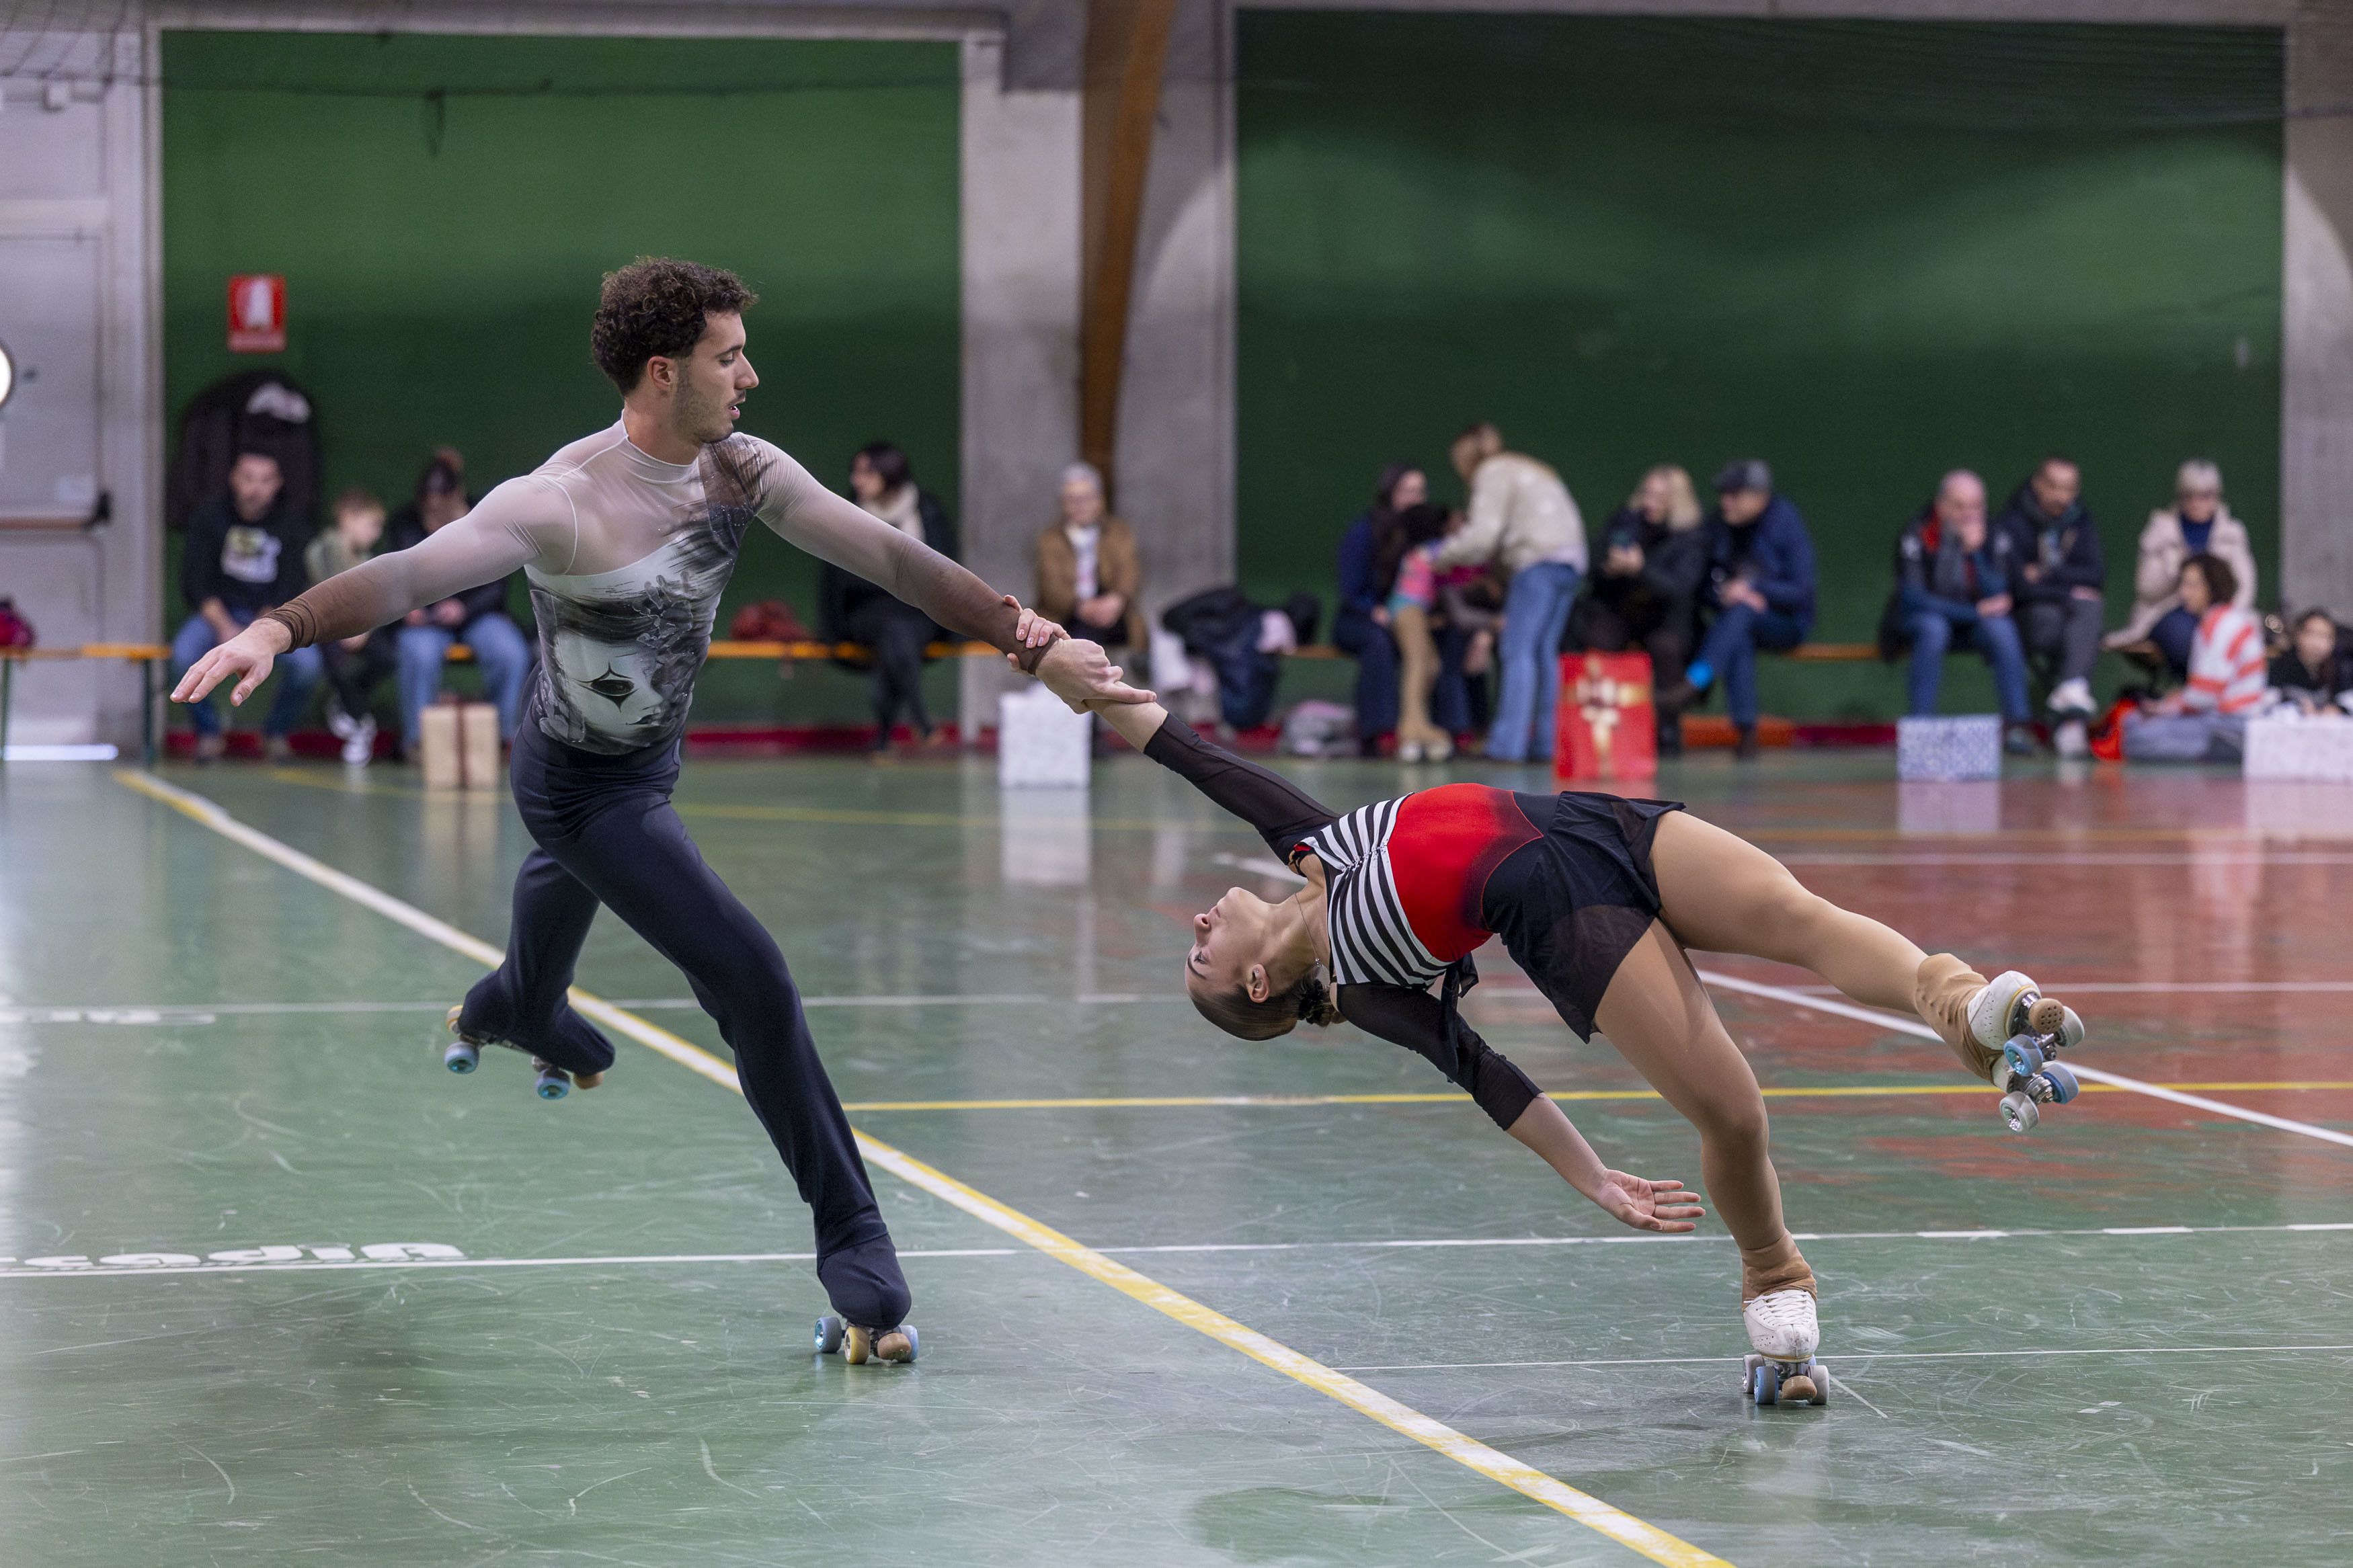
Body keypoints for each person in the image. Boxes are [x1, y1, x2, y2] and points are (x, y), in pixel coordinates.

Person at [174, 257, 1145, 1362]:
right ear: (661, 371)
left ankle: (517, 1004)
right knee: (750, 973)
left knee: (568, 898)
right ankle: (855, 1239)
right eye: (729, 357)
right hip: (579, 781)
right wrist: (275, 627)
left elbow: (895, 559)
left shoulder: (742, 470)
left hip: (647, 754)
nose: (751, 375)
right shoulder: (560, 499)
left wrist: (1034, 640)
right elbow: (408, 573)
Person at [1071, 677, 2085, 1385]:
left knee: (1798, 915)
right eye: (1202, 956)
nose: (1199, 923)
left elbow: (1186, 750)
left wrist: (1056, 660)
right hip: (1566, 917)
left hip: (1594, 822)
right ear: (1257, 982)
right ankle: (1773, 1272)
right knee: (1732, 1107)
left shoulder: (1307, 843)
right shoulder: (1370, 983)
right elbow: (1487, 1073)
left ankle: (1964, 1010)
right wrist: (1593, 1177)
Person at [1431, 423, 1587, 762]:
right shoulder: (1529, 466)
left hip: (1538, 561)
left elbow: (1483, 537)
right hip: (1571, 561)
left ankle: (1506, 746)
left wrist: (1441, 556)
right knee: (1544, 652)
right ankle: (1546, 745)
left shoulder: (1491, 472)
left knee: (1517, 650)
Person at [170, 448, 325, 762]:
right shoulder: (209, 517)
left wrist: (258, 632)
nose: (256, 489)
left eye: (266, 481)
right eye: (248, 479)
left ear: (278, 483)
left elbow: (291, 588)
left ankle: (275, 732)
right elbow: (195, 584)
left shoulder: (292, 523)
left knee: (309, 666)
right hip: (217, 616)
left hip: (272, 619)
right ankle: (209, 733)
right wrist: (226, 626)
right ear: (234, 479)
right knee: (182, 655)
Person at [384, 448, 533, 759]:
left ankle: (502, 739)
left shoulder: (485, 519)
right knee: (417, 651)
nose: (433, 518)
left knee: (510, 652)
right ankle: (418, 743)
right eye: (429, 509)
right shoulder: (405, 523)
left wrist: (464, 609)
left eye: (441, 508)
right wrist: (409, 607)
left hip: (478, 614)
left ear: (457, 496)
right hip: (427, 618)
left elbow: (498, 584)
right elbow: (396, 575)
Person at [1663, 461, 1816, 759]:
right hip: (1737, 622)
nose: (1725, 502)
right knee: (1740, 633)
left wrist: (1756, 591)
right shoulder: (1720, 527)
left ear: (1759, 497)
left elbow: (1802, 592)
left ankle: (1695, 682)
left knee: (1742, 615)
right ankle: (1747, 735)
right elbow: (1704, 585)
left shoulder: (1786, 523)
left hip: (1785, 622)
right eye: (1723, 494)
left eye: (1734, 495)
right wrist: (1724, 595)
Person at [1884, 470, 2034, 754]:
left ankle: (2017, 726)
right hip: (1926, 621)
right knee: (1933, 628)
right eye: (1960, 506)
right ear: (1941, 506)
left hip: (1972, 624)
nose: (1969, 515)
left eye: (1976, 506)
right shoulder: (1917, 534)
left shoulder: (1994, 534)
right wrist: (1975, 612)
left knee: (2001, 628)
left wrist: (1975, 553)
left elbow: (1999, 595)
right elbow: (1914, 599)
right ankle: (1920, 730)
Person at [824, 442, 958, 752]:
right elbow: (838, 578)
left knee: (896, 640)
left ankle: (885, 738)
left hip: (919, 613)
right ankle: (921, 720)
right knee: (895, 632)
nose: (857, 479)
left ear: (889, 473)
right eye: (856, 472)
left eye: (867, 472)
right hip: (866, 612)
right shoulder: (847, 512)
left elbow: (944, 567)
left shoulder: (927, 509)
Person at [1567, 465, 1708, 755]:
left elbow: (1680, 588)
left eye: (1660, 497)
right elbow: (1593, 569)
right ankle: (1604, 732)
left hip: (1667, 619)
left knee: (1666, 647)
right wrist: (1610, 568)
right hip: (1622, 611)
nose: (1649, 503)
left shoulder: (1691, 536)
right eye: (1647, 493)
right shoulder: (1626, 521)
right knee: (1599, 638)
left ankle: (1667, 729)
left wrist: (1641, 569)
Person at [1995, 457, 2106, 757]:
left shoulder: (2081, 520)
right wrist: (2068, 586)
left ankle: (2071, 696)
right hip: (2030, 618)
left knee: (2091, 606)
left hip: (2069, 613)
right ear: (2038, 485)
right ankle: (2071, 712)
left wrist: (2046, 574)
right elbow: (2018, 586)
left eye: (2069, 489)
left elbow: (2096, 576)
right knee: (2079, 625)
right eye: (2054, 488)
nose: (2061, 497)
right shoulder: (2012, 523)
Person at [2106, 460, 2257, 677]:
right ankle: (2198, 693)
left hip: (2220, 612)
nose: (2197, 503)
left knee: (2232, 634)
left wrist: (2228, 617)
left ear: (2217, 497)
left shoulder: (2232, 533)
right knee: (2183, 636)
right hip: (2168, 610)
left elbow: (2245, 585)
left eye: (2205, 495)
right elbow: (2146, 587)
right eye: (2189, 495)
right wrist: (2180, 573)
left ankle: (2220, 695)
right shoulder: (2161, 529)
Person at [2120, 554, 2266, 762]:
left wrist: (2164, 708)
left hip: (2230, 723)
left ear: (2211, 587)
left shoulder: (2220, 625)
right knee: (2133, 722)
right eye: (2183, 584)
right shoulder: (2227, 619)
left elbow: (2206, 695)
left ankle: (2226, 747)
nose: (2183, 593)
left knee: (2137, 733)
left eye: (2191, 585)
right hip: (2224, 719)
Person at [1332, 462, 1427, 756]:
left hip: (1402, 618)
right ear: (1390, 493)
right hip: (1356, 620)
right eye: (1407, 491)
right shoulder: (1365, 531)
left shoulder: (1422, 537)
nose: (1414, 498)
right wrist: (1374, 610)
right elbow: (1350, 589)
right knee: (1378, 643)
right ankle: (1377, 732)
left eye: (1419, 492)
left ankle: (1450, 730)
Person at [305, 487, 395, 766]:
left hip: (359, 628)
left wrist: (363, 630)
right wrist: (347, 628)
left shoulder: (368, 559)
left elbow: (373, 602)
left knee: (388, 657)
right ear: (347, 518)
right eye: (372, 525)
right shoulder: (320, 550)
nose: (376, 534)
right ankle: (359, 722)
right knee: (336, 662)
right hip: (327, 627)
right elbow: (325, 593)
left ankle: (345, 701)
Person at [1377, 502, 1463, 761]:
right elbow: (1465, 553)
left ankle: (1418, 722)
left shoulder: (1422, 552)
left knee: (1432, 664)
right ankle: (1411, 727)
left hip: (1417, 612)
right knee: (1417, 663)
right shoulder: (1434, 551)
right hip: (1407, 610)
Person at [1035, 462, 1145, 651]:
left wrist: (1117, 600)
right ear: (1062, 503)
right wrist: (1081, 606)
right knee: (1076, 638)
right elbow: (1050, 585)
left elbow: (1129, 572)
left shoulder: (1118, 533)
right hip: (1068, 612)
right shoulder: (1050, 539)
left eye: (1086, 498)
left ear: (1099, 500)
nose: (1080, 506)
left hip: (1112, 609)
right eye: (1072, 500)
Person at [2268, 609, 2353, 714]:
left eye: (2326, 636)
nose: (2318, 643)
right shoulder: (2281, 667)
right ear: (2298, 635)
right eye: (2312, 634)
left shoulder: (2340, 667)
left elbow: (2348, 699)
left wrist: (2339, 709)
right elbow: (2267, 701)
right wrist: (2296, 707)